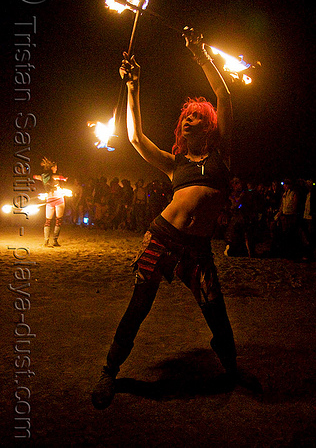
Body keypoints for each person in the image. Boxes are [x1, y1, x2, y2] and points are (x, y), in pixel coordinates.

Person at [92, 28, 237, 410]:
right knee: (139, 306)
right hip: (161, 237)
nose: (189, 119)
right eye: (184, 117)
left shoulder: (220, 155)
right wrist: (132, 87)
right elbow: (137, 138)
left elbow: (224, 94)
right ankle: (110, 370)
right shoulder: (175, 165)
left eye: (196, 116)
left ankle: (233, 370)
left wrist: (200, 54)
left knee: (215, 312)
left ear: (209, 124)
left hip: (198, 249)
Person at [33, 157, 68, 246]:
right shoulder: (53, 176)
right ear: (52, 168)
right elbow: (59, 177)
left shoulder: (43, 177)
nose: (56, 168)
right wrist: (64, 178)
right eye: (55, 167)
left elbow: (35, 176)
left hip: (49, 200)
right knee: (58, 220)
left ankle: (46, 241)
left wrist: (37, 176)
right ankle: (55, 240)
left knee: (48, 220)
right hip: (58, 199)